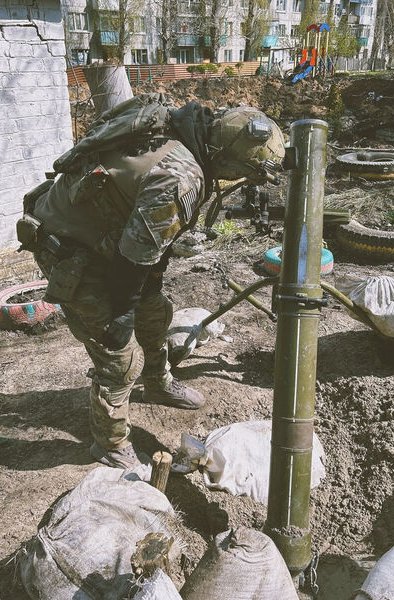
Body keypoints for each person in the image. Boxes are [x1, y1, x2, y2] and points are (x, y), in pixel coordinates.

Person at [17, 96, 285, 468]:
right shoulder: (180, 177)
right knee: (119, 354)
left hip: (108, 237)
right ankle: (110, 443)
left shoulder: (184, 127)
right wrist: (122, 314)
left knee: (156, 313)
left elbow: (151, 241)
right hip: (70, 249)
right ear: (225, 159)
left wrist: (148, 290)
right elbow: (135, 256)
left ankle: (157, 384)